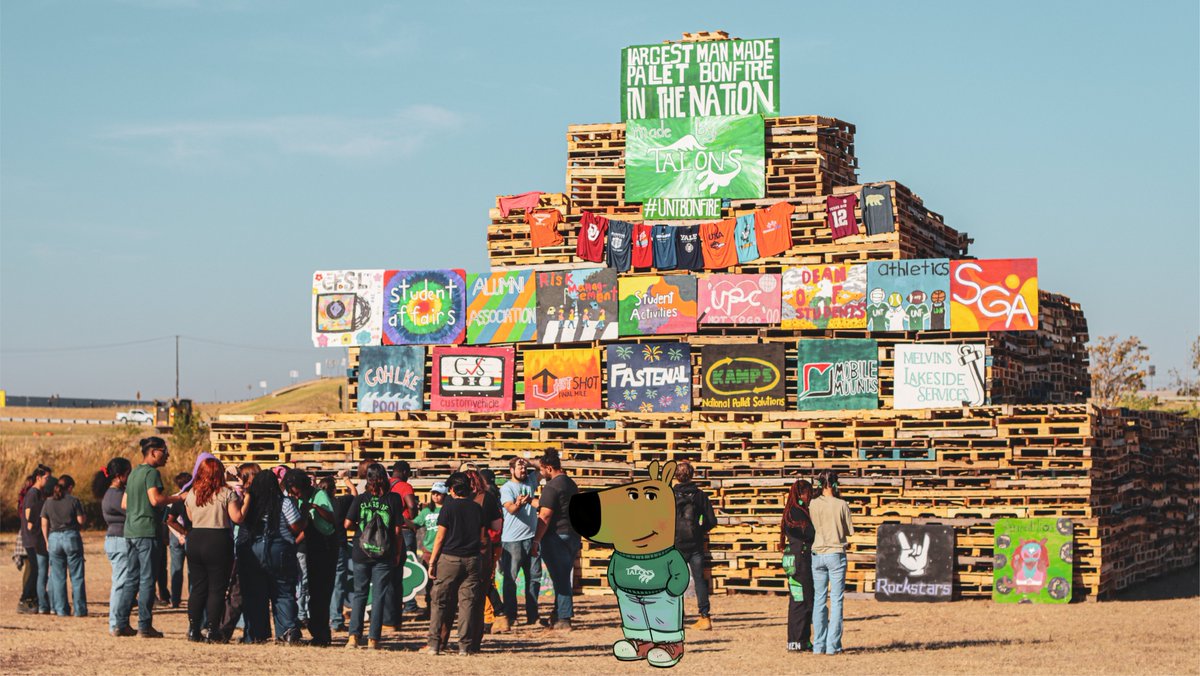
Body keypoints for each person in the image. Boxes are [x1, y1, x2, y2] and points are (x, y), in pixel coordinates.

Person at [121, 437, 183, 638]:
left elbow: (125, 503)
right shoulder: (151, 473)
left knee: (131, 578)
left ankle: (121, 623)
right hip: (147, 532)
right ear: (154, 452)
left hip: (131, 531)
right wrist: (178, 498)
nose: (167, 455)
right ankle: (144, 625)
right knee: (148, 579)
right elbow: (155, 499)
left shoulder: (133, 473)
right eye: (165, 451)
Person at [424, 472, 491, 655]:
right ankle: (465, 646)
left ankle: (434, 644)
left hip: (450, 559)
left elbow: (440, 537)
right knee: (467, 604)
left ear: (453, 490)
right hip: (472, 559)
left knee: (439, 602)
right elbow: (483, 535)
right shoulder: (477, 508)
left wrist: (433, 561)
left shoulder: (448, 508)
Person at [239, 468, 305, 644]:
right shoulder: (284, 502)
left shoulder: (250, 504)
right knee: (283, 592)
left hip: (253, 551)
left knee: (255, 594)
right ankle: (287, 631)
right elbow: (296, 526)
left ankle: (255, 633)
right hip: (280, 550)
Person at [184, 457, 244, 643]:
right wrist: (246, 500)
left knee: (198, 588)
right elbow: (237, 518)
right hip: (217, 539)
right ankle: (212, 629)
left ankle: (193, 629)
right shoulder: (226, 493)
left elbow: (190, 517)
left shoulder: (192, 493)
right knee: (216, 589)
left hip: (195, 538)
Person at [345, 463, 403, 650]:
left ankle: (353, 637)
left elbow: (347, 524)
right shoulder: (393, 499)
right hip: (384, 552)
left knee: (359, 594)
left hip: (361, 551)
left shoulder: (360, 499)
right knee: (379, 596)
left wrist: (361, 529)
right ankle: (373, 639)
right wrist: (397, 552)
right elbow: (397, 530)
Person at [284, 468, 337, 646]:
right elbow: (303, 527)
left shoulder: (319, 495)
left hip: (326, 546)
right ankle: (317, 631)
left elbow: (331, 518)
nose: (296, 495)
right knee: (313, 592)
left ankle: (322, 634)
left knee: (321, 593)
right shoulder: (300, 500)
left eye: (297, 492)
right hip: (312, 547)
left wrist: (314, 507)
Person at [531, 450, 580, 631]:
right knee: (563, 575)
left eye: (542, 470)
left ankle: (564, 618)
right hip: (572, 534)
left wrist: (536, 541)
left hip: (556, 536)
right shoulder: (570, 484)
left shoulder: (552, 487)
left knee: (560, 578)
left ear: (549, 468)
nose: (541, 473)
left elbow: (545, 516)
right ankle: (557, 614)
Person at [810, 470, 854, 656]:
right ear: (835, 484)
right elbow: (849, 530)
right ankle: (833, 645)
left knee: (819, 599)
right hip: (835, 553)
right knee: (836, 600)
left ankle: (818, 645)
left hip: (817, 553)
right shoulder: (841, 504)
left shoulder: (813, 503)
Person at [672, 460, 717, 631]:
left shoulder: (669, 495)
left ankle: (677, 618)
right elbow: (712, 520)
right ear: (692, 475)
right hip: (696, 544)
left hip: (676, 545)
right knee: (699, 580)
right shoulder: (700, 495)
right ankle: (705, 617)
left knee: (675, 581)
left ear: (676, 476)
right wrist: (700, 530)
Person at [92, 458, 135, 635]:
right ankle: (116, 623)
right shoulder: (117, 495)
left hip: (114, 539)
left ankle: (117, 622)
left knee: (120, 581)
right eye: (128, 473)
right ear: (119, 476)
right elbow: (132, 510)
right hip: (120, 540)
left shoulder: (110, 494)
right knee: (120, 583)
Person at [219, 462, 260, 640]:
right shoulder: (248, 495)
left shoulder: (251, 497)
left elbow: (239, 518)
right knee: (244, 592)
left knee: (238, 592)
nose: (239, 480)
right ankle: (251, 633)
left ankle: (224, 631)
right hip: (247, 546)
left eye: (242, 477)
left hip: (245, 547)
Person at [499, 457, 541, 629]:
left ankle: (533, 616)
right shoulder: (507, 488)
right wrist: (518, 504)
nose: (523, 470)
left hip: (532, 538)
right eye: (519, 467)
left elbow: (543, 466)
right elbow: (510, 509)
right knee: (510, 580)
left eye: (524, 468)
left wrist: (528, 462)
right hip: (512, 541)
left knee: (534, 578)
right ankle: (511, 616)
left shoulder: (530, 481)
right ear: (511, 470)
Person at [465, 469, 504, 645]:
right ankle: (493, 616)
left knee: (480, 585)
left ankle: (495, 615)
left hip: (470, 548)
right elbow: (497, 525)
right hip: (486, 547)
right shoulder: (487, 497)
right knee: (484, 584)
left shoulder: (460, 499)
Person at [41, 474, 87, 617]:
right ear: (70, 487)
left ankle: (61, 609)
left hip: (54, 538)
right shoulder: (74, 500)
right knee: (77, 576)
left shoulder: (48, 502)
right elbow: (81, 520)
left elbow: (44, 523)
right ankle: (79, 610)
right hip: (71, 536)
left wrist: (47, 541)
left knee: (58, 577)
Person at [779, 479, 815, 653]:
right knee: (805, 600)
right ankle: (800, 640)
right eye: (809, 493)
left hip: (791, 558)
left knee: (797, 599)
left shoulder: (790, 511)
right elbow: (809, 533)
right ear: (801, 494)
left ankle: (795, 640)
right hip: (800, 559)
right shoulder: (798, 512)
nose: (811, 497)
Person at [386, 461, 420, 624]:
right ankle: (410, 603)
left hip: (388, 530)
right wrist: (413, 519)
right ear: (405, 472)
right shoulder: (405, 486)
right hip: (404, 529)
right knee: (408, 566)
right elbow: (411, 505)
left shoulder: (384, 484)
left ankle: (392, 604)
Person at [19, 465, 52, 614]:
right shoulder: (33, 494)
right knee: (35, 570)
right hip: (32, 538)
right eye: (46, 478)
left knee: (37, 569)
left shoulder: (39, 493)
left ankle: (33, 597)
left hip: (35, 538)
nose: (48, 480)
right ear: (38, 478)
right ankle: (25, 599)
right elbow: (28, 516)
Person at [324, 474, 353, 632]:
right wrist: (347, 480)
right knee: (338, 584)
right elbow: (354, 495)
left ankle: (321, 618)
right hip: (338, 546)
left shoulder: (317, 504)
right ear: (334, 490)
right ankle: (335, 620)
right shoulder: (339, 503)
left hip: (322, 547)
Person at [414, 482, 447, 618]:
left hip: (444, 551)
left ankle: (444, 609)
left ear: (444, 495)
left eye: (438, 493)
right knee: (429, 583)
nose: (435, 496)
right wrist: (402, 518)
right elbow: (415, 523)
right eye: (433, 493)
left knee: (444, 582)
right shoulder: (426, 511)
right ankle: (429, 608)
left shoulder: (448, 509)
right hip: (429, 551)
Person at [165, 472, 192, 608]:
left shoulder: (174, 498)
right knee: (192, 570)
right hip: (188, 535)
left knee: (176, 569)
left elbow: (169, 520)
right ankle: (193, 597)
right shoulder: (192, 497)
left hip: (176, 536)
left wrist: (179, 535)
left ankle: (175, 599)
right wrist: (184, 534)